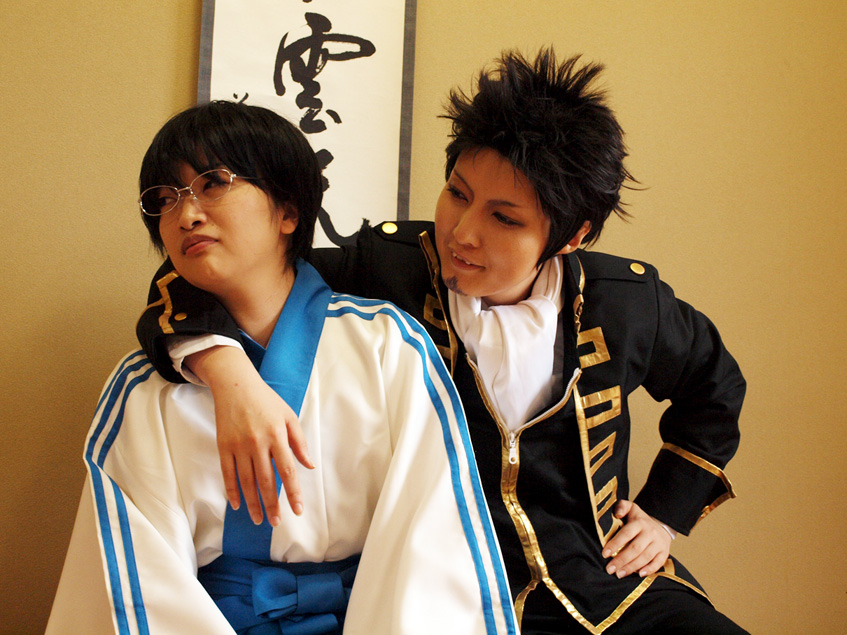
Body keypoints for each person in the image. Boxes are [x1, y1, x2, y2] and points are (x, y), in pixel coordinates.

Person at [134, 49, 747, 634]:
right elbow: (216, 273)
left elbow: (715, 386)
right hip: (454, 593)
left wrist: (665, 515)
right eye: (457, 194)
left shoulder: (627, 302)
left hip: (611, 585)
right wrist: (230, 378)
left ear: (572, 236)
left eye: (504, 218)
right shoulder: (388, 265)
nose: (463, 233)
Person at [47, 101, 518, 634]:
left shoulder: (388, 346)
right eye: (165, 198)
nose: (186, 215)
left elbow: (430, 543)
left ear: (289, 212)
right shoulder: (144, 387)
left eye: (213, 183)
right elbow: (138, 586)